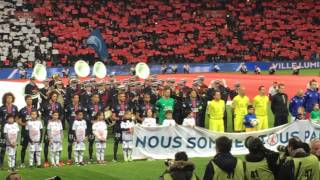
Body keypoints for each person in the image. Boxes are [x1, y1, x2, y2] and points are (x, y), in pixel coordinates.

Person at [65, 94, 86, 165]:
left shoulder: (81, 106)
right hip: (72, 129)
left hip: (79, 129)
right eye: (75, 98)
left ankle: (79, 159)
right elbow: (66, 116)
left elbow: (83, 115)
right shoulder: (69, 106)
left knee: (80, 143)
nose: (77, 99)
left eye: (78, 98)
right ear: (72, 99)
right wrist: (70, 123)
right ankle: (69, 158)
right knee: (70, 143)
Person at [0, 93, 19, 168]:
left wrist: (15, 124)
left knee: (14, 146)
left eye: (10, 98)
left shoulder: (15, 107)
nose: (9, 99)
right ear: (5, 99)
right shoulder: (1, 108)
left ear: (12, 99)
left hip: (13, 132)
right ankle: (1, 163)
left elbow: (17, 117)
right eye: (7, 98)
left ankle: (13, 164)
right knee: (3, 147)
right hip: (4, 131)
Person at [17, 95, 35, 167]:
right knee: (24, 147)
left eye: (31, 99)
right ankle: (22, 162)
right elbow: (18, 120)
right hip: (25, 132)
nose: (30, 100)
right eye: (28, 99)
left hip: (33, 132)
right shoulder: (22, 110)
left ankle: (33, 162)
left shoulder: (35, 109)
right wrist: (24, 124)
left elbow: (37, 119)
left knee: (33, 147)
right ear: (25, 100)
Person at [86, 94, 104, 163]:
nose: (97, 98)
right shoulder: (88, 105)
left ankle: (99, 158)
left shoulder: (101, 105)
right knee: (91, 142)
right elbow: (86, 115)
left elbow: (103, 115)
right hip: (91, 127)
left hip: (99, 127)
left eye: (98, 97)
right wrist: (91, 121)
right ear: (92, 98)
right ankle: (90, 157)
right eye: (95, 97)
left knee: (100, 142)